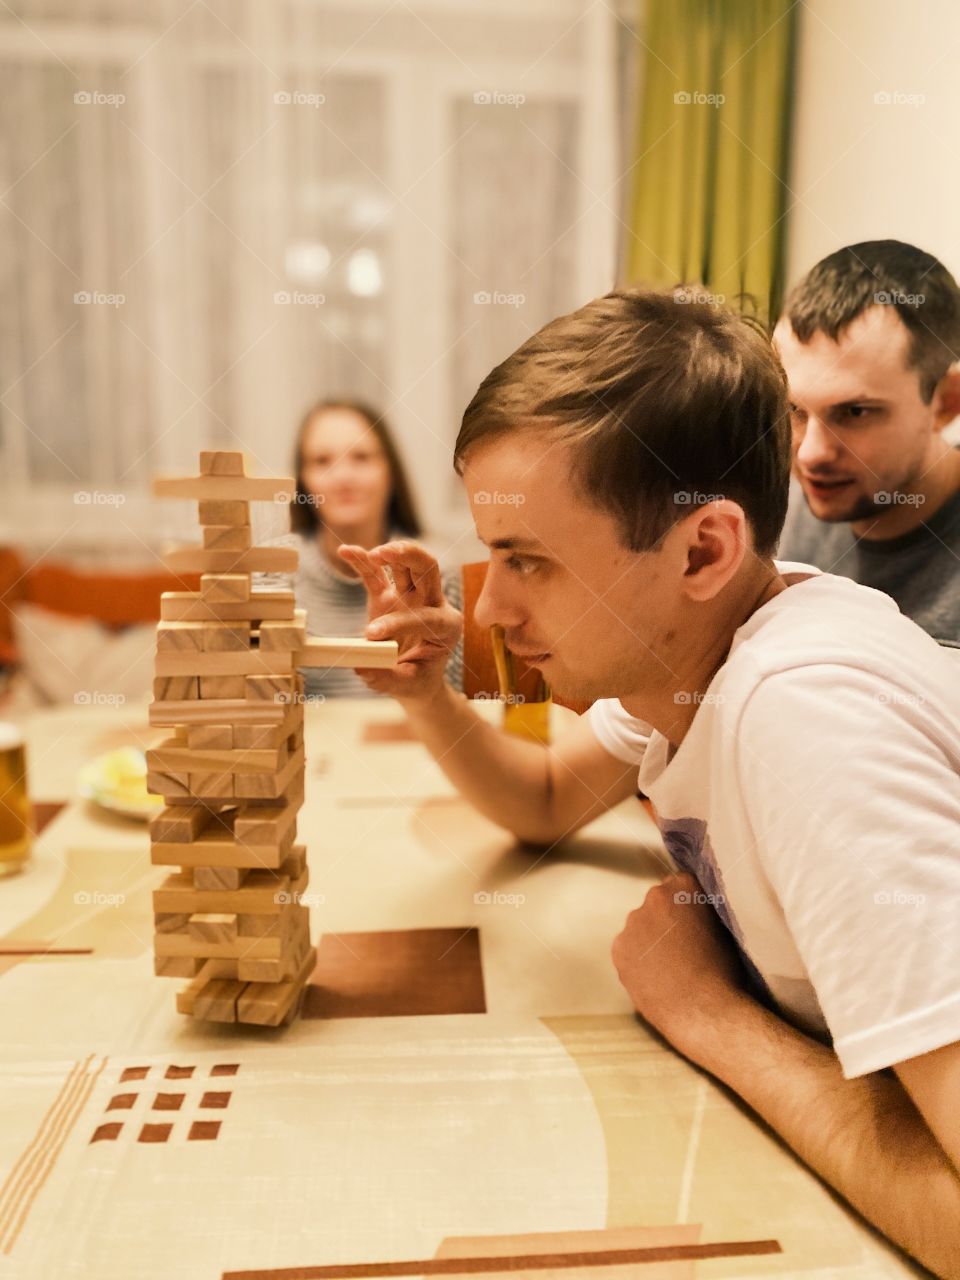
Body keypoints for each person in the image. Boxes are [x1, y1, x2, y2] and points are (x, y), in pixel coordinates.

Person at [340, 289, 960, 1277]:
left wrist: (707, 1012)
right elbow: (541, 798)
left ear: (701, 549)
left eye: (527, 561)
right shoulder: (696, 648)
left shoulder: (804, 718)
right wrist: (427, 694)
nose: (488, 607)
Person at [776, 240, 960, 643]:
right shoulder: (776, 518)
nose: (811, 454)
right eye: (795, 411)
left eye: (855, 413)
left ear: (946, 402)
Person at [261, 397, 461, 697]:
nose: (343, 477)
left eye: (362, 457)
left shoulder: (436, 574)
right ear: (303, 482)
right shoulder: (271, 572)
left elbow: (458, 705)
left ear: (390, 473)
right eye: (321, 461)